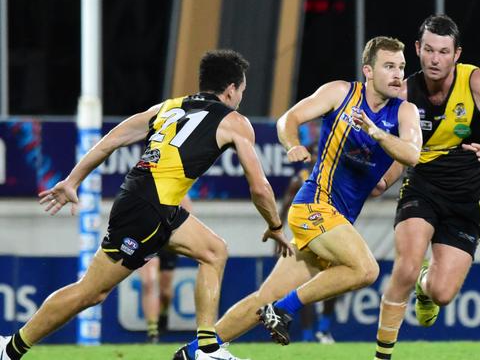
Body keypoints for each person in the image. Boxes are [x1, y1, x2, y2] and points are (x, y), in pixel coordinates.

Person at [0, 49, 293, 360]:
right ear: (231, 89)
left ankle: (206, 349)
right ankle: (10, 347)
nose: (241, 98)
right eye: (242, 91)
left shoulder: (167, 108)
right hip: (147, 207)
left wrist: (73, 180)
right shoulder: (234, 121)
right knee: (91, 291)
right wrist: (275, 226)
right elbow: (260, 188)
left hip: (151, 202)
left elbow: (112, 138)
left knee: (213, 251)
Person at [173, 36, 422, 360]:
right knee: (366, 270)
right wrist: (292, 143)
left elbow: (413, 155)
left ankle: (193, 352)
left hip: (335, 222)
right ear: (368, 71)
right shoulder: (341, 93)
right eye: (389, 66)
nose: (397, 74)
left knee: (261, 299)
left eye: (401, 67)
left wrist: (377, 137)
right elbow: (287, 120)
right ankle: (283, 310)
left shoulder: (405, 112)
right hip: (313, 206)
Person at [371, 15, 480, 360]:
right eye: (429, 50)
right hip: (422, 187)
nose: (435, 59)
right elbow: (402, 152)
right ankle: (382, 355)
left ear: (456, 54)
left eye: (444, 52)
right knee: (406, 264)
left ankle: (424, 287)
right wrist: (385, 180)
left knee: (443, 292)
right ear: (417, 50)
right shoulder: (404, 94)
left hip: (468, 197)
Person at [278, 143, 338, 344]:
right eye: (312, 154)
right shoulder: (301, 178)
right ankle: (307, 334)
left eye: (317, 153)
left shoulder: (332, 176)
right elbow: (285, 206)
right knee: (305, 285)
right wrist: (278, 232)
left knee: (335, 282)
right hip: (307, 236)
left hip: (329, 232)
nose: (315, 156)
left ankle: (324, 329)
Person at [139, 195, 192, 343]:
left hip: (168, 242)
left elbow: (188, 217)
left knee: (165, 291)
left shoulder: (177, 188)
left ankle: (163, 312)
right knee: (149, 282)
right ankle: (152, 332)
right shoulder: (139, 186)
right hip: (147, 241)